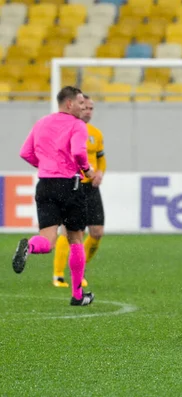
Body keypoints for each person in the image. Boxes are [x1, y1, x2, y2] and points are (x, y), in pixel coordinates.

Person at [13, 86, 96, 306]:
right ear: (69, 104)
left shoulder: (42, 122)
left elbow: (25, 152)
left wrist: (47, 167)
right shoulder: (78, 125)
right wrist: (87, 169)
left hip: (45, 184)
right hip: (70, 186)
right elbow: (79, 152)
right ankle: (78, 296)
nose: (83, 107)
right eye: (80, 103)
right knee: (75, 239)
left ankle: (29, 247)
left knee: (47, 240)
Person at [52, 95, 106, 288]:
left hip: (91, 187)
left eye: (92, 108)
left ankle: (78, 270)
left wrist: (100, 172)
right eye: (86, 108)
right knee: (71, 231)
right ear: (77, 107)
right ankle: (58, 275)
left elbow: (100, 158)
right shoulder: (67, 130)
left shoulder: (96, 133)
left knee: (97, 232)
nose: (89, 111)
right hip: (73, 185)